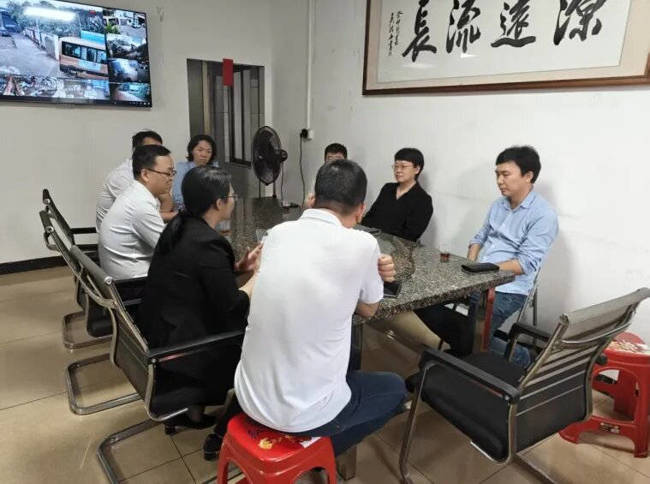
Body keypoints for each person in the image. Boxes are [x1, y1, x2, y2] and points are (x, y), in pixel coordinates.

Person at [234, 159, 406, 457]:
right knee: (394, 388)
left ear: (313, 198)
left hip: (248, 396)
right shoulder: (363, 243)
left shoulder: (277, 233)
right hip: (302, 415)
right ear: (360, 209)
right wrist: (374, 274)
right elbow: (369, 310)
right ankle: (317, 453)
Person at [137, 165, 260, 428]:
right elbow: (233, 307)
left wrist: (239, 268)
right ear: (218, 203)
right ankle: (236, 418)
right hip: (183, 350)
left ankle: (193, 411)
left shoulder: (180, 226)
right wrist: (257, 278)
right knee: (257, 337)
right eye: (232, 195)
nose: (234, 200)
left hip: (162, 331)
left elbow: (199, 276)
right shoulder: (209, 242)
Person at [416, 146, 558, 367]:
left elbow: (525, 263)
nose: (499, 181)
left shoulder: (543, 215)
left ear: (528, 176)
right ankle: (466, 348)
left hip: (509, 289)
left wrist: (483, 270)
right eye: (497, 174)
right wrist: (471, 262)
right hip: (478, 277)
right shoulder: (498, 205)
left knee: (474, 335)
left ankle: (521, 357)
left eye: (505, 174)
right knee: (423, 299)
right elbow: (479, 237)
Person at [99, 144, 174, 279]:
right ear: (145, 174)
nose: (171, 178)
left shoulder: (134, 193)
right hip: (134, 283)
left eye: (173, 173)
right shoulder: (140, 205)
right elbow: (172, 250)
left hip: (120, 273)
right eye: (168, 173)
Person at [96, 130, 175, 229]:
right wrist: (181, 216)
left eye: (159, 149)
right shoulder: (122, 176)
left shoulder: (156, 172)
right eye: (151, 148)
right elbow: (140, 214)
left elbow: (167, 200)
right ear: (136, 150)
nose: (156, 153)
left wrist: (157, 221)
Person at [362, 147, 433, 243]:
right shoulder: (387, 188)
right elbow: (370, 216)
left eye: (403, 166)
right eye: (396, 166)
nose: (398, 170)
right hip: (371, 240)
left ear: (416, 169)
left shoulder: (423, 200)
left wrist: (381, 235)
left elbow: (410, 235)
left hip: (397, 248)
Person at [172, 134, 219, 210]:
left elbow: (220, 193)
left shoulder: (215, 167)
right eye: (200, 150)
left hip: (211, 210)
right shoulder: (182, 167)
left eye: (209, 151)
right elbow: (178, 196)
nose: (204, 155)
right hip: (187, 210)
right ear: (191, 150)